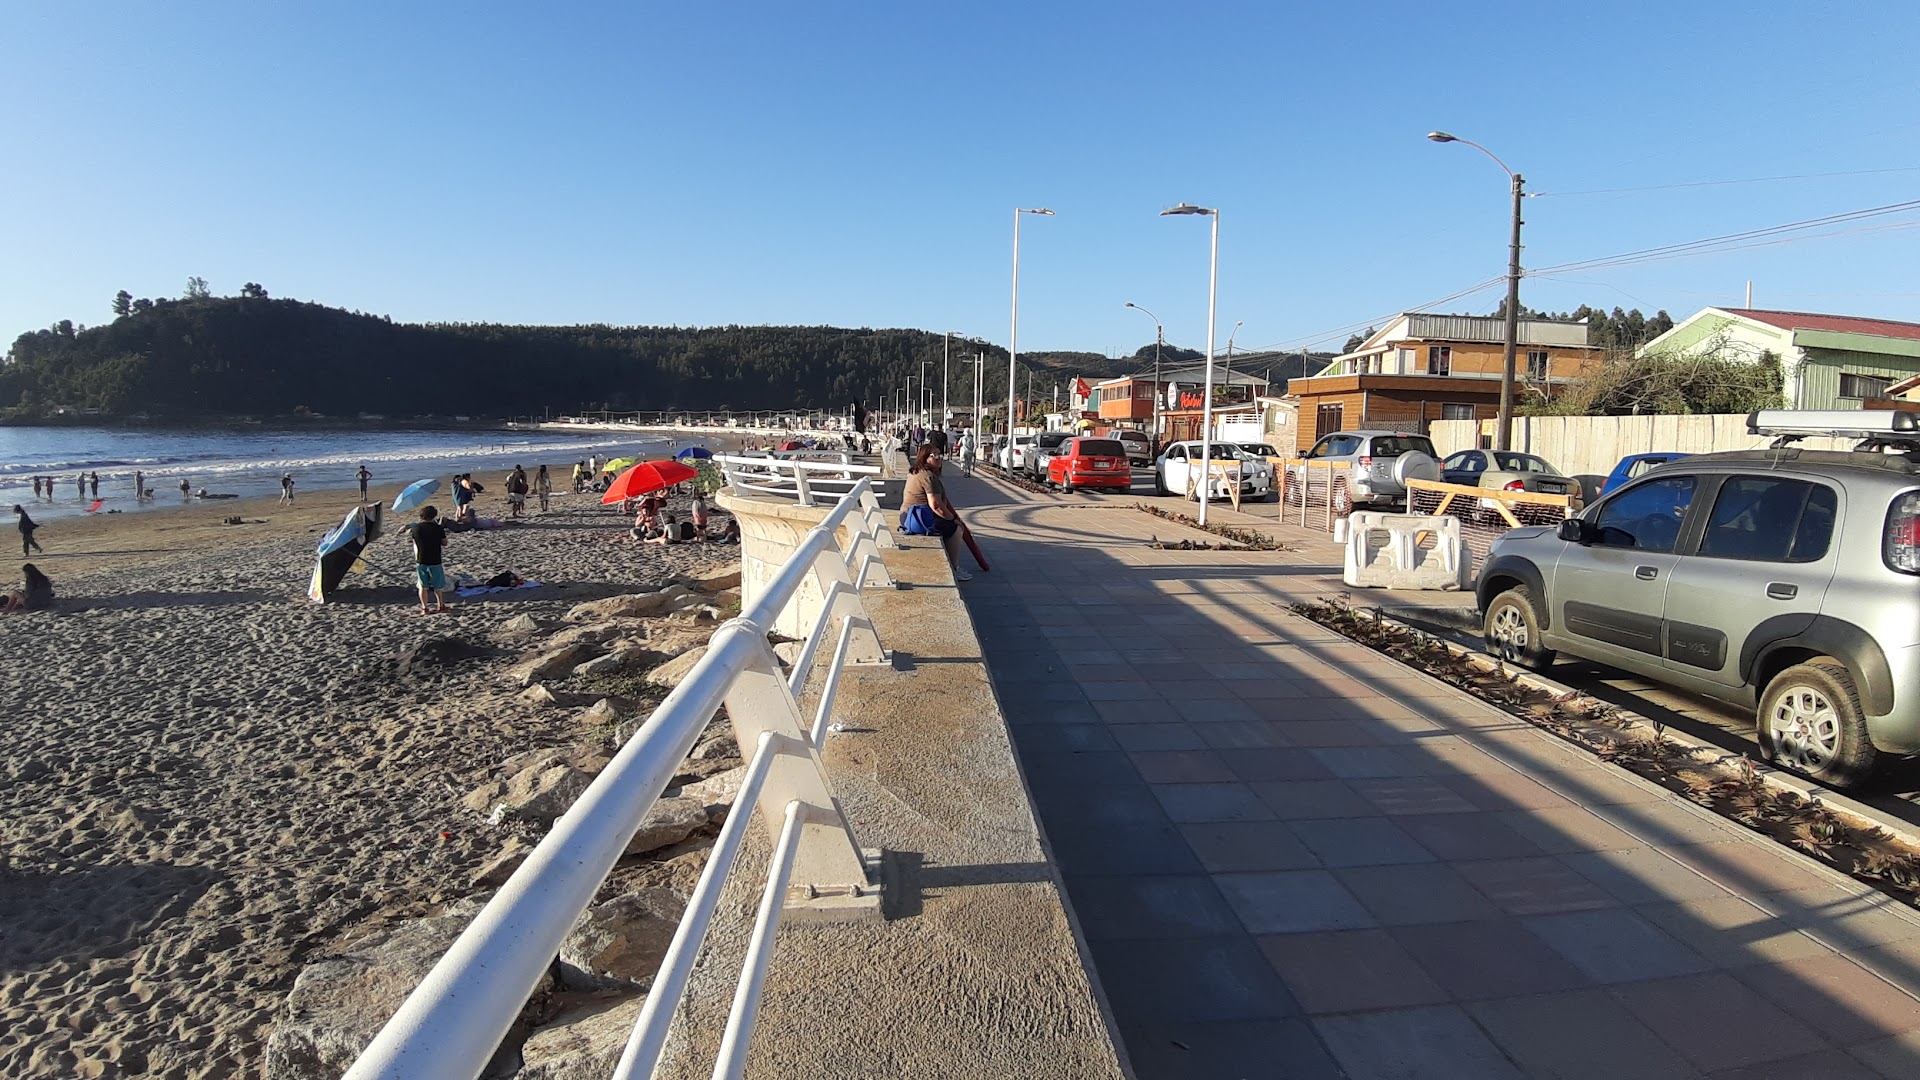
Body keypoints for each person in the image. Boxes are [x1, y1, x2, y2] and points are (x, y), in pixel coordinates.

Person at [900, 444, 970, 581]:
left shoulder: (915, 472)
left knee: (947, 526)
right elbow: (936, 506)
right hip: (919, 520)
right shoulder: (929, 477)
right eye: (935, 455)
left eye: (940, 455)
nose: (939, 458)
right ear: (925, 457)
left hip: (907, 516)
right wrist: (952, 519)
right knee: (956, 530)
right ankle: (954, 569)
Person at [406, 506, 450, 614]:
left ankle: (424, 608)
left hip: (421, 560)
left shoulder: (416, 528)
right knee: (437, 586)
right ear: (434, 516)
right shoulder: (438, 528)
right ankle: (440, 605)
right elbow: (445, 543)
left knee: (422, 586)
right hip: (435, 560)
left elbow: (414, 541)